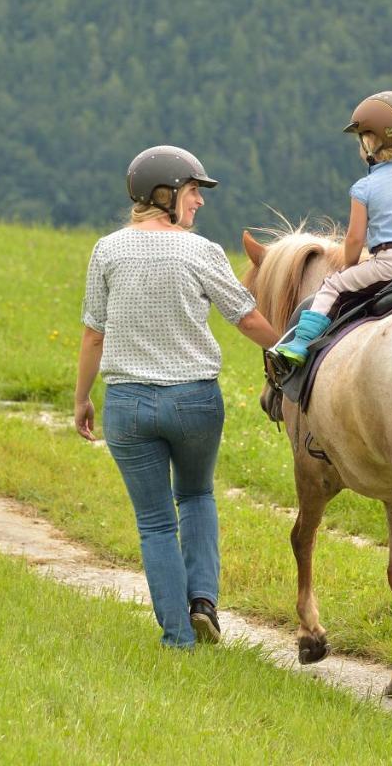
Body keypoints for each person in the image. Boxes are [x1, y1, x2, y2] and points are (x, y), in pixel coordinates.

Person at [74, 145, 279, 650]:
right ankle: (203, 603)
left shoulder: (107, 250)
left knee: (155, 524)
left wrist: (82, 397)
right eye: (193, 191)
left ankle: (177, 639)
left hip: (127, 407)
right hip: (194, 403)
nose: (200, 203)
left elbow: (93, 335)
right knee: (197, 495)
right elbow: (247, 319)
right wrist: (295, 350)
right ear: (163, 195)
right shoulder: (201, 252)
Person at [274, 90, 392, 365]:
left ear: (372, 143)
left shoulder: (363, 188)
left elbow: (355, 239)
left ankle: (301, 343)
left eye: (361, 139)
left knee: (332, 286)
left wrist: (350, 265)